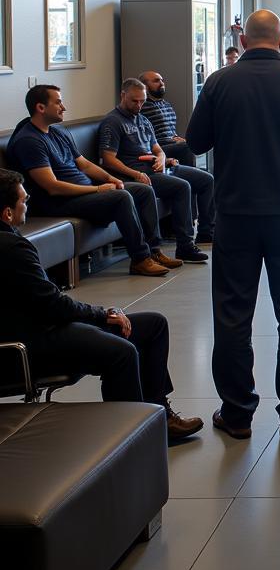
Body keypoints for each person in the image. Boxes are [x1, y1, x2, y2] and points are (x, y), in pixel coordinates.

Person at [186, 10, 280, 442]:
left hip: (234, 218)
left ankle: (236, 414)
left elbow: (195, 142)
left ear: (244, 39)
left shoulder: (219, 81)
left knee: (232, 316)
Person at [0, 169, 202, 442]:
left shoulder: (12, 244)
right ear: (7, 213)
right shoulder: (13, 249)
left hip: (35, 327)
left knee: (153, 325)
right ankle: (131, 441)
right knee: (122, 352)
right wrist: (102, 314)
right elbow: (53, 305)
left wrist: (98, 317)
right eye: (23, 200)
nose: (28, 203)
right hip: (28, 345)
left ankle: (159, 417)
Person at [5, 86, 181, 278]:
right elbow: (52, 187)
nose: (63, 107)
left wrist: (111, 178)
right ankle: (140, 259)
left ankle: (154, 251)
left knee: (143, 190)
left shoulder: (58, 133)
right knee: (121, 197)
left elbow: (85, 165)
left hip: (85, 191)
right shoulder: (29, 141)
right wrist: (98, 189)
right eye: (58, 102)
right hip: (58, 202)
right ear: (40, 107)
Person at [98, 79, 213, 263]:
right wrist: (135, 174)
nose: (139, 105)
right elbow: (108, 160)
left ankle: (207, 231)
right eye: (134, 101)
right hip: (138, 173)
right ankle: (185, 245)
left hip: (157, 168)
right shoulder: (113, 122)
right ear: (123, 96)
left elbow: (157, 149)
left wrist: (161, 159)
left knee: (206, 180)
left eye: (142, 101)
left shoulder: (143, 119)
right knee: (182, 187)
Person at [139, 71, 197, 168]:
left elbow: (169, 131)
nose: (162, 83)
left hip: (171, 144)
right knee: (186, 147)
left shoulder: (166, 104)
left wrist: (178, 139)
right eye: (156, 81)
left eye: (162, 80)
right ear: (145, 86)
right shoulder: (142, 106)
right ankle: (192, 177)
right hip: (157, 147)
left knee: (190, 142)